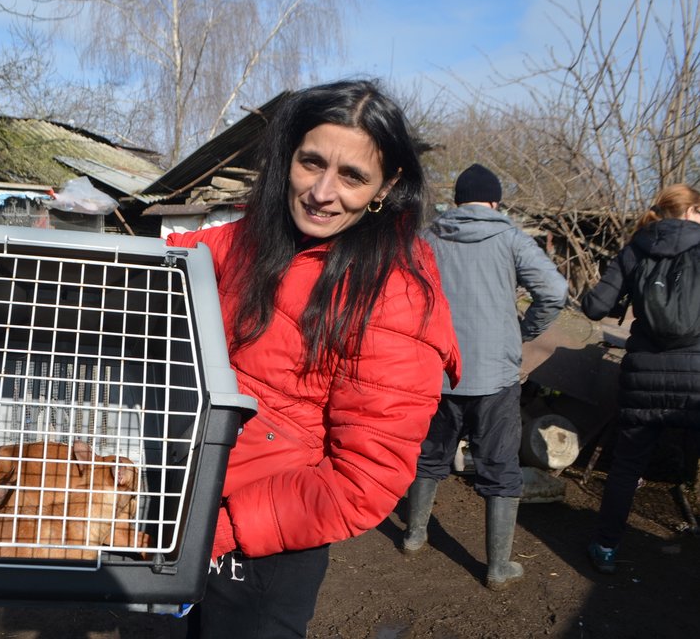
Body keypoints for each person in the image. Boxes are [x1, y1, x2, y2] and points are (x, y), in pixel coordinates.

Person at [164, 79, 461, 638]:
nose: (324, 192)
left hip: (265, 538)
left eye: (353, 176)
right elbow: (140, 273)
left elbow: (364, 480)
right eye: (312, 163)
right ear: (288, 156)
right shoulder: (249, 240)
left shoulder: (394, 293)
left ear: (387, 185)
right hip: (188, 499)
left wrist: (219, 528)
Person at [405, 163, 568, 590]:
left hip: (439, 370)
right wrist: (523, 331)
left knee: (430, 454)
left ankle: (414, 535)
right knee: (499, 463)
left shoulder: (426, 237)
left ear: (457, 200)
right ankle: (498, 567)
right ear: (494, 201)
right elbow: (554, 292)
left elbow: (399, 293)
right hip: (495, 374)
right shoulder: (511, 237)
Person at [581, 183, 700, 574]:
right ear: (690, 211)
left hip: (643, 375)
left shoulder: (636, 247)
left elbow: (597, 307)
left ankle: (606, 547)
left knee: (627, 466)